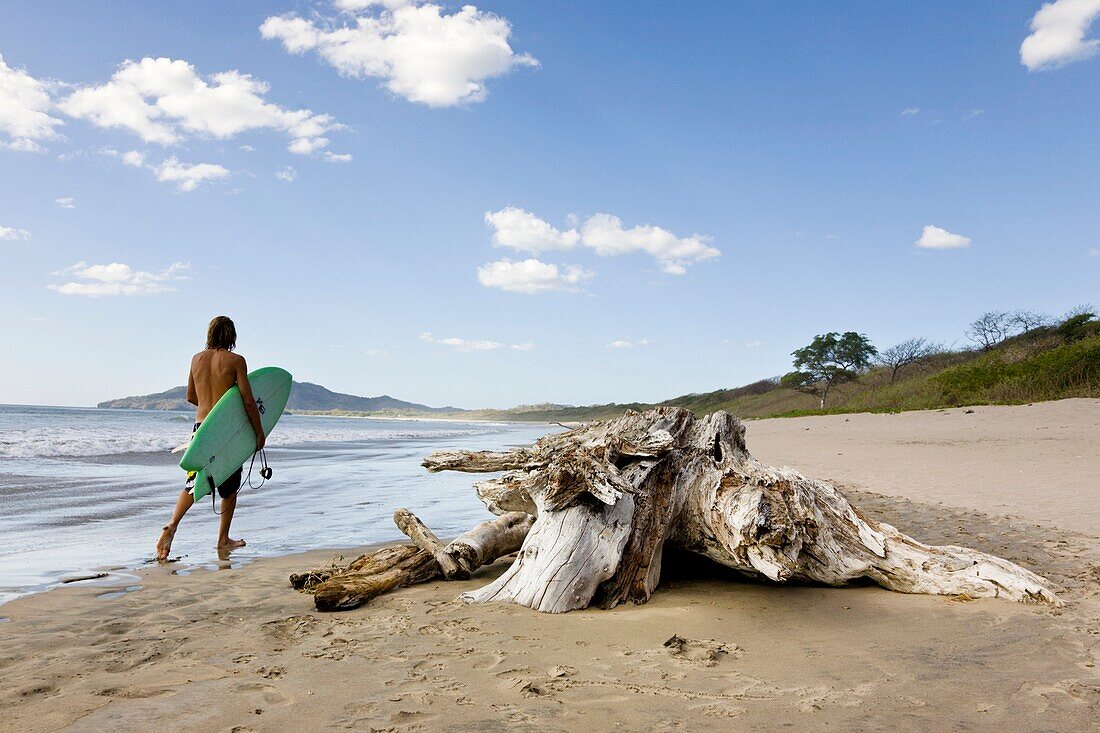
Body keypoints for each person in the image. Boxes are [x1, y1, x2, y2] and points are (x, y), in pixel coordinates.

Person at [155, 316, 265, 561]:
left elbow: (190, 397)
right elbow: (248, 400)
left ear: (210, 334)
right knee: (229, 486)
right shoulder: (236, 361)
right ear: (232, 336)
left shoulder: (196, 359)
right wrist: (259, 432)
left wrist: (208, 403)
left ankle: (172, 525)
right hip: (225, 429)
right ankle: (223, 540)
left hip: (201, 427)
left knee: (194, 480)